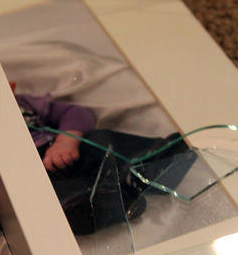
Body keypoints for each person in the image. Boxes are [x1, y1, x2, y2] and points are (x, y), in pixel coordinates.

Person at [11, 83, 194, 235]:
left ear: (10, 87)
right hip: (29, 176)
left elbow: (75, 113)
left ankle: (149, 164)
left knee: (99, 140)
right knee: (44, 196)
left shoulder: (23, 103)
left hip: (62, 148)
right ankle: (104, 202)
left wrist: (66, 141)